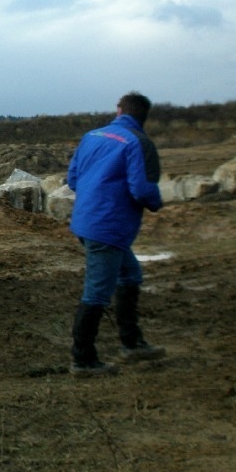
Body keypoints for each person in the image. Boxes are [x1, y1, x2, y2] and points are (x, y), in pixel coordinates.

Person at [66, 92, 167, 377]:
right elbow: (143, 190)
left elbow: (72, 179)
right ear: (143, 116)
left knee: (130, 275)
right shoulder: (139, 143)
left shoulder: (92, 136)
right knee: (96, 292)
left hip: (88, 222)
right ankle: (83, 360)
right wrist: (157, 203)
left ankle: (132, 343)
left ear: (119, 109)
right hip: (108, 228)